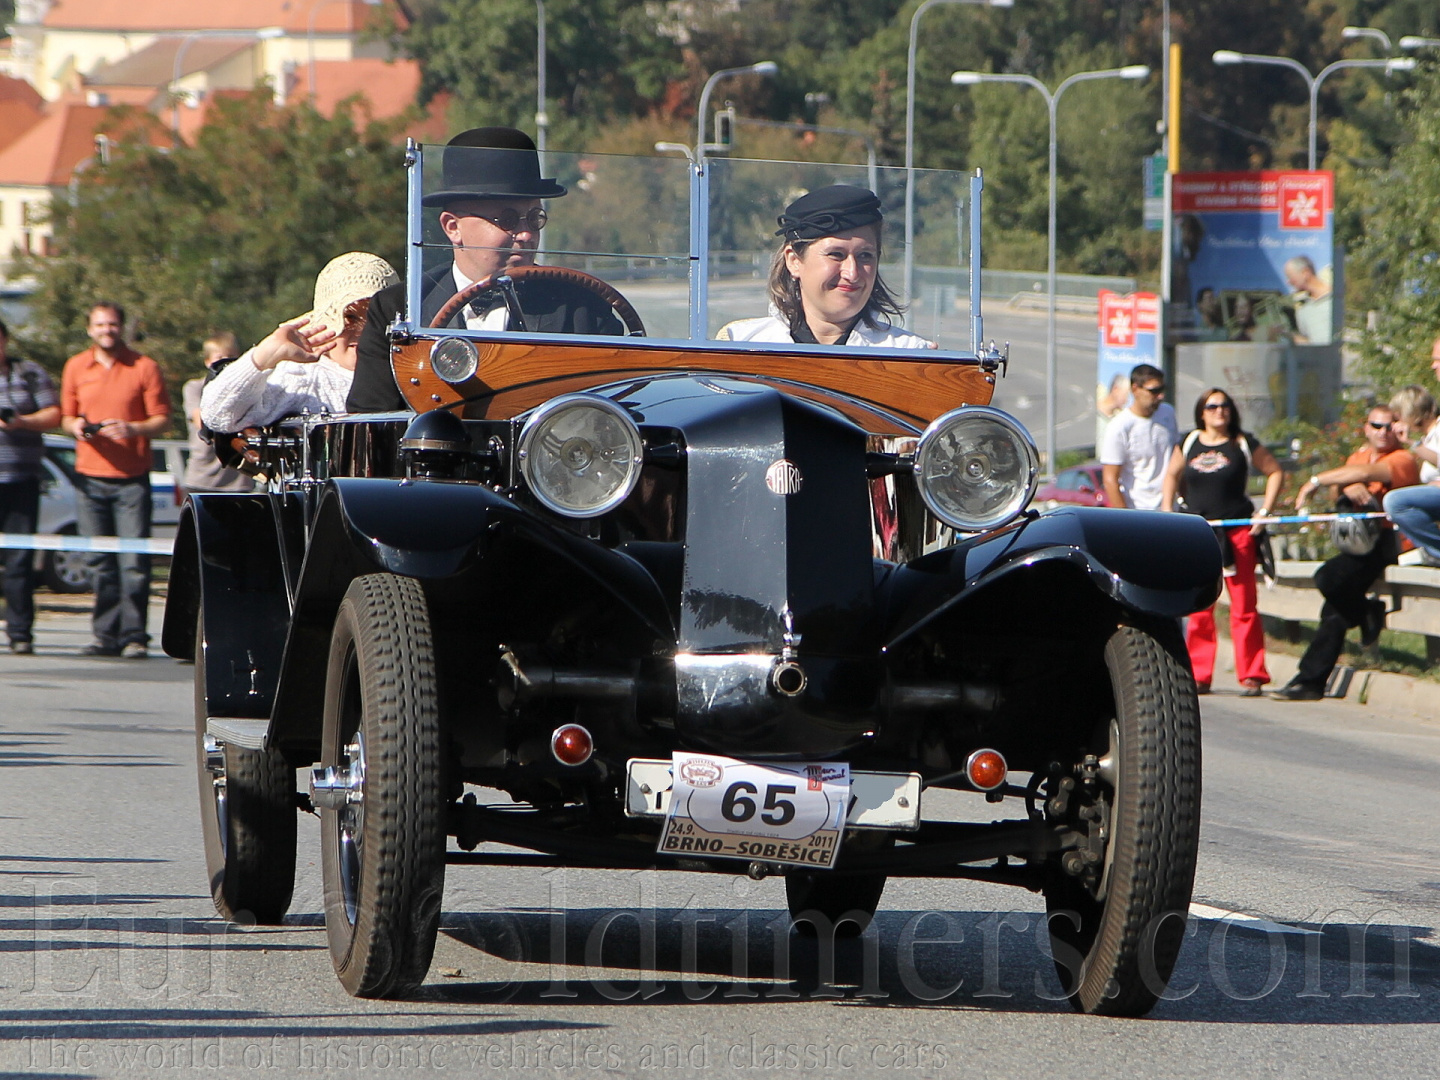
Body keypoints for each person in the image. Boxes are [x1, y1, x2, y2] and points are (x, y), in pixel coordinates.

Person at [347, 127, 626, 412]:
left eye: (534, 218)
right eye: (507, 219)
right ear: (452, 228)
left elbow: (616, 410)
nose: (526, 234)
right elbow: (371, 419)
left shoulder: (582, 308)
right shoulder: (397, 309)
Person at [1271, 405, 1420, 701]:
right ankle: (1312, 680)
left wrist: (1316, 481)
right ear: (1366, 428)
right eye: (1376, 426)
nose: (1383, 432)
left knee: (1327, 578)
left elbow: (1365, 474)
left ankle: (1360, 618)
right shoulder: (1357, 457)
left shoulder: (1403, 459)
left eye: (1389, 426)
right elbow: (1338, 490)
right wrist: (1346, 487)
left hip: (1389, 541)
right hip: (1357, 541)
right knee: (1334, 612)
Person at [60, 302, 171, 658]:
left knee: (133, 562)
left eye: (112, 324)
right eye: (99, 325)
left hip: (131, 479)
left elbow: (163, 419)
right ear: (89, 329)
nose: (106, 330)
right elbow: (66, 417)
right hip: (89, 478)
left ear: (121, 327)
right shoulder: (76, 366)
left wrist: (132, 428)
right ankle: (104, 636)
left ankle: (134, 636)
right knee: (99, 561)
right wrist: (76, 426)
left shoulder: (144, 366)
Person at [1161, 388, 1284, 696]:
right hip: (1199, 533)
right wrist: (1168, 511)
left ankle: (1252, 674)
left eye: (1225, 405)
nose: (1219, 411)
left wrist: (1264, 512)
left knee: (1244, 606)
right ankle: (1199, 675)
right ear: (1201, 412)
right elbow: (1171, 475)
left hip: (1237, 532)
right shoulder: (1189, 442)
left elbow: (1274, 472)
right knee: (1200, 608)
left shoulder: (1242, 442)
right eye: (1212, 406)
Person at [716, 185, 935, 348]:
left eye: (865, 256)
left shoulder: (906, 353)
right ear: (794, 261)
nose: (852, 272)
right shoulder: (741, 344)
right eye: (836, 255)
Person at [202, 253, 398, 431]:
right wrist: (265, 356)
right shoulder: (303, 376)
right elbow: (219, 416)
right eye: (349, 318)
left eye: (374, 320)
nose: (362, 332)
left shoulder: (411, 372)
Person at [0, 319, 60, 654]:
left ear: (6, 341)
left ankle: (20, 633)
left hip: (21, 480)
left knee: (19, 560)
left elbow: (54, 415)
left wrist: (21, 421)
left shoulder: (28, 373)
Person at [181, 332, 253, 495]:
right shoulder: (195, 388)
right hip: (202, 478)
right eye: (219, 357)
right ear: (208, 361)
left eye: (231, 357)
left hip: (238, 481)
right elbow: (202, 422)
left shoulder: (248, 390)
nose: (225, 362)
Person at [1100, 363, 1179, 511]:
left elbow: (1177, 458)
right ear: (1135, 389)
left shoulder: (1168, 413)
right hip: (1139, 509)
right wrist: (1125, 517)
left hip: (1169, 508)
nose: (1160, 396)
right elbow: (1110, 479)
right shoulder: (1119, 426)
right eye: (1154, 391)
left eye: (1162, 389)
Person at [1382, 383, 1440, 564]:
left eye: (1398, 417)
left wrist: (1412, 443)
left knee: (1395, 502)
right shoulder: (1428, 438)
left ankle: (1436, 550)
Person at [1285, 255, 1333, 345]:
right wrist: (1290, 336)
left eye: (1290, 277)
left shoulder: (1338, 297)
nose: (1288, 282)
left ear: (1305, 272)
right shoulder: (1302, 311)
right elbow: (1310, 342)